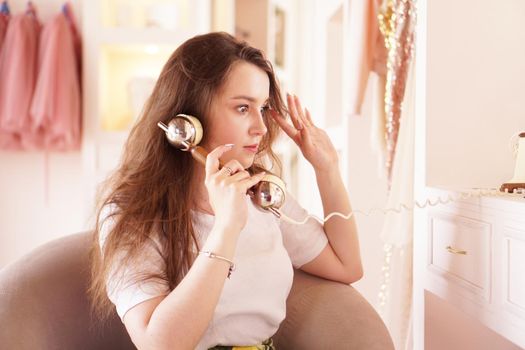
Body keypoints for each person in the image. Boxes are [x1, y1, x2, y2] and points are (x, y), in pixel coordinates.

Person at [89, 32, 363, 350]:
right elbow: (159, 345)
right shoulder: (130, 214)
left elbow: (347, 266)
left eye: (262, 109)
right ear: (188, 121)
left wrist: (327, 168)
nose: (260, 128)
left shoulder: (260, 193)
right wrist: (226, 227)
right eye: (243, 108)